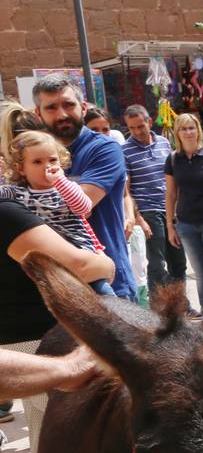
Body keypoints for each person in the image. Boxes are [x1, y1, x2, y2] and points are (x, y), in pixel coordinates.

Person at [1, 196, 115, 453]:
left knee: (43, 443)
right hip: (42, 343)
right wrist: (108, 263)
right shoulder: (5, 212)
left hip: (18, 346)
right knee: (70, 451)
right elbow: (78, 265)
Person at [33, 75, 134, 299]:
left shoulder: (104, 149)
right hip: (58, 288)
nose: (62, 114)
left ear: (84, 107)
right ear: (38, 114)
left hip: (109, 285)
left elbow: (78, 206)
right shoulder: (34, 154)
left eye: (69, 105)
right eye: (51, 107)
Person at [0, 130, 107, 266]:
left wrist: (60, 181)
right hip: (45, 258)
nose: (48, 166)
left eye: (53, 160)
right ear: (21, 169)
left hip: (80, 251)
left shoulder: (67, 188)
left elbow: (84, 208)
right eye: (37, 162)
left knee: (101, 287)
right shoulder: (16, 192)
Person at [164, 112, 203, 314]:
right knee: (200, 273)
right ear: (177, 133)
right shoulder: (173, 159)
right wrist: (170, 225)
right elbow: (171, 194)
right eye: (183, 128)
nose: (188, 132)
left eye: (191, 127)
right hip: (186, 224)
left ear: (199, 130)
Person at [121, 104, 184, 293]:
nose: (136, 132)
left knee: (179, 261)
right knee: (157, 264)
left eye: (140, 126)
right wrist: (139, 219)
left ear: (149, 122)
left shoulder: (164, 142)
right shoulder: (125, 150)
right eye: (131, 128)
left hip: (171, 210)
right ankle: (159, 307)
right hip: (148, 212)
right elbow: (126, 191)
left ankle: (180, 304)